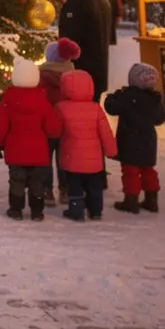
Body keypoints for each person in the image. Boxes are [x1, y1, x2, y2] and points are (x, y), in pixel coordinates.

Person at [0, 56, 61, 221]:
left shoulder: (8, 100)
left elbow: (1, 125)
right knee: (37, 182)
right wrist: (54, 135)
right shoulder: (42, 100)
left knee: (16, 181)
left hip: (15, 150)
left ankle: (16, 209)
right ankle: (37, 211)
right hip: (38, 151)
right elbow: (53, 127)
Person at [56, 69, 117, 221]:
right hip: (94, 160)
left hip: (72, 157)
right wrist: (111, 150)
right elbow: (106, 132)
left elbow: (56, 130)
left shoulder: (61, 107)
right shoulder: (95, 108)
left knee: (74, 185)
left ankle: (76, 210)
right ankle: (96, 211)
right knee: (94, 186)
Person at [105, 63, 165, 214]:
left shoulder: (127, 97)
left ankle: (131, 200)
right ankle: (152, 199)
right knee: (148, 170)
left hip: (130, 139)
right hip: (148, 141)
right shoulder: (154, 99)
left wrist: (114, 95)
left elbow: (111, 107)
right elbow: (159, 119)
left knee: (130, 171)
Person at [58, 0, 113, 101]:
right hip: (98, 69)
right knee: (92, 110)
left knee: (79, 113)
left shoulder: (75, 3)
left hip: (81, 69)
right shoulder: (102, 0)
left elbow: (70, 38)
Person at [37, 37, 81, 205]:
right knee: (64, 159)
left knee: (46, 159)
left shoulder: (41, 74)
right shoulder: (72, 75)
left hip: (46, 124)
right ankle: (65, 190)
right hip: (66, 124)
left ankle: (47, 191)